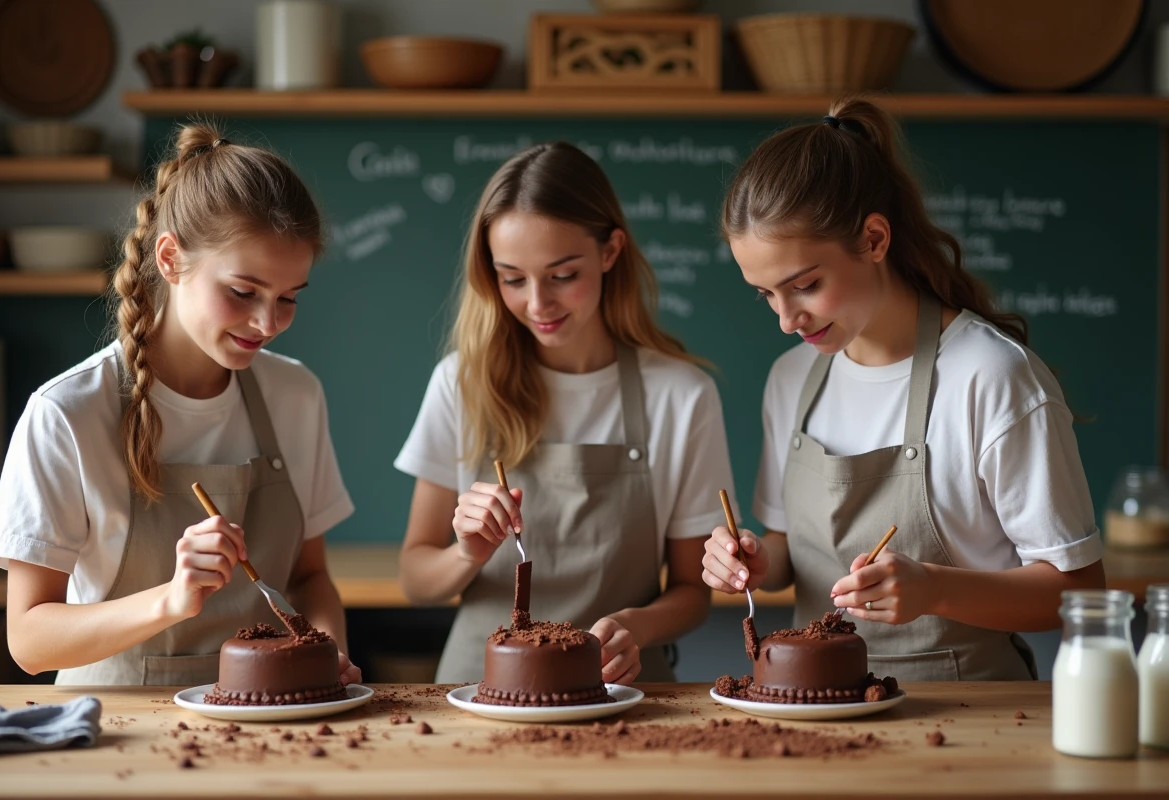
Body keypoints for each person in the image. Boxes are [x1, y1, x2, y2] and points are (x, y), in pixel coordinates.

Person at [701, 97, 1106, 681]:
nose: (787, 319)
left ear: (873, 239)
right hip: (817, 708)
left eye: (805, 286)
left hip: (968, 723)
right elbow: (791, 552)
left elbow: (1078, 591)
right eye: (766, 294)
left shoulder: (991, 377)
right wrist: (755, 562)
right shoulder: (792, 378)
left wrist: (935, 589)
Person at [0, 124, 360, 687]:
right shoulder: (66, 413)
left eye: (287, 299)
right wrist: (172, 599)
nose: (267, 323)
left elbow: (308, 577)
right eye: (242, 292)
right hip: (118, 732)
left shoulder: (296, 396)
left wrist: (328, 651)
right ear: (170, 258)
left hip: (271, 719)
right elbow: (30, 641)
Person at [396, 142, 737, 684]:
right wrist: (466, 554)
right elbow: (416, 578)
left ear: (610, 251)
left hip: (623, 688)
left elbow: (693, 593)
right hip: (480, 690)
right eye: (512, 278)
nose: (537, 303)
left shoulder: (682, 394)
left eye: (561, 275)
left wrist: (639, 626)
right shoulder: (461, 384)